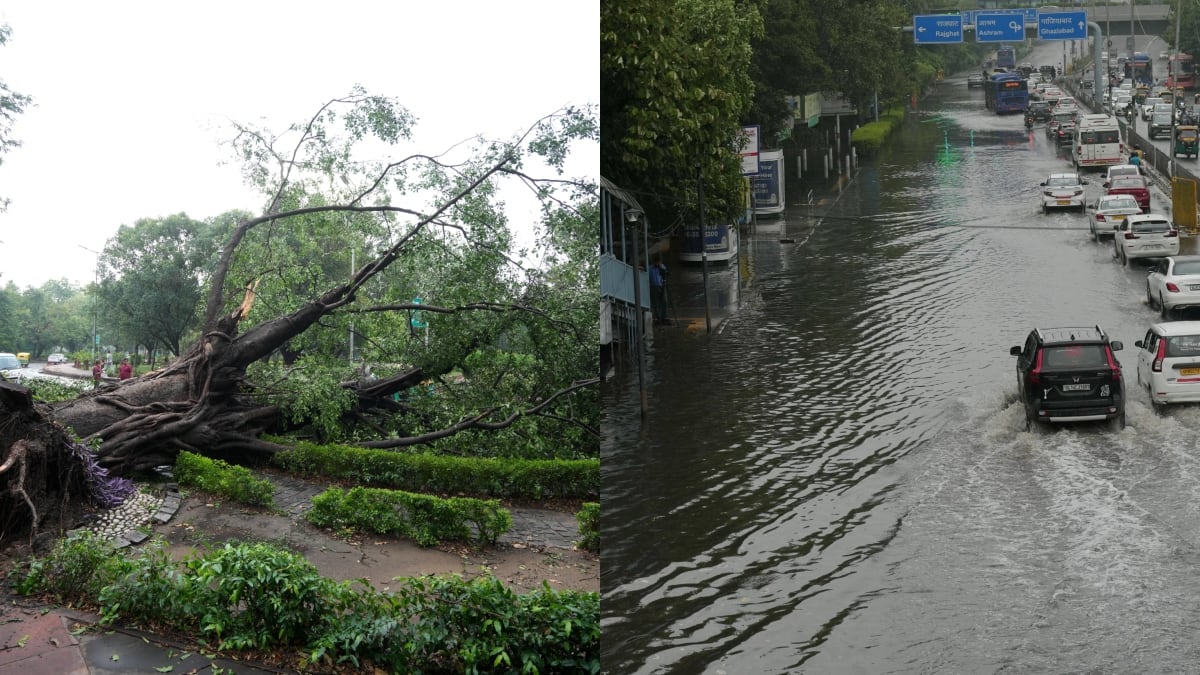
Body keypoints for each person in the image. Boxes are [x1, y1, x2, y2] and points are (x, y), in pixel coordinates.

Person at [648, 255, 669, 325]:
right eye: (656, 262)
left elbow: (666, 273)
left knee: (664, 301)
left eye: (658, 262)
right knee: (656, 302)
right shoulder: (650, 268)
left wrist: (661, 267)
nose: (657, 263)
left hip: (662, 285)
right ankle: (658, 317)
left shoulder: (662, 267)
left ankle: (664, 317)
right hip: (654, 286)